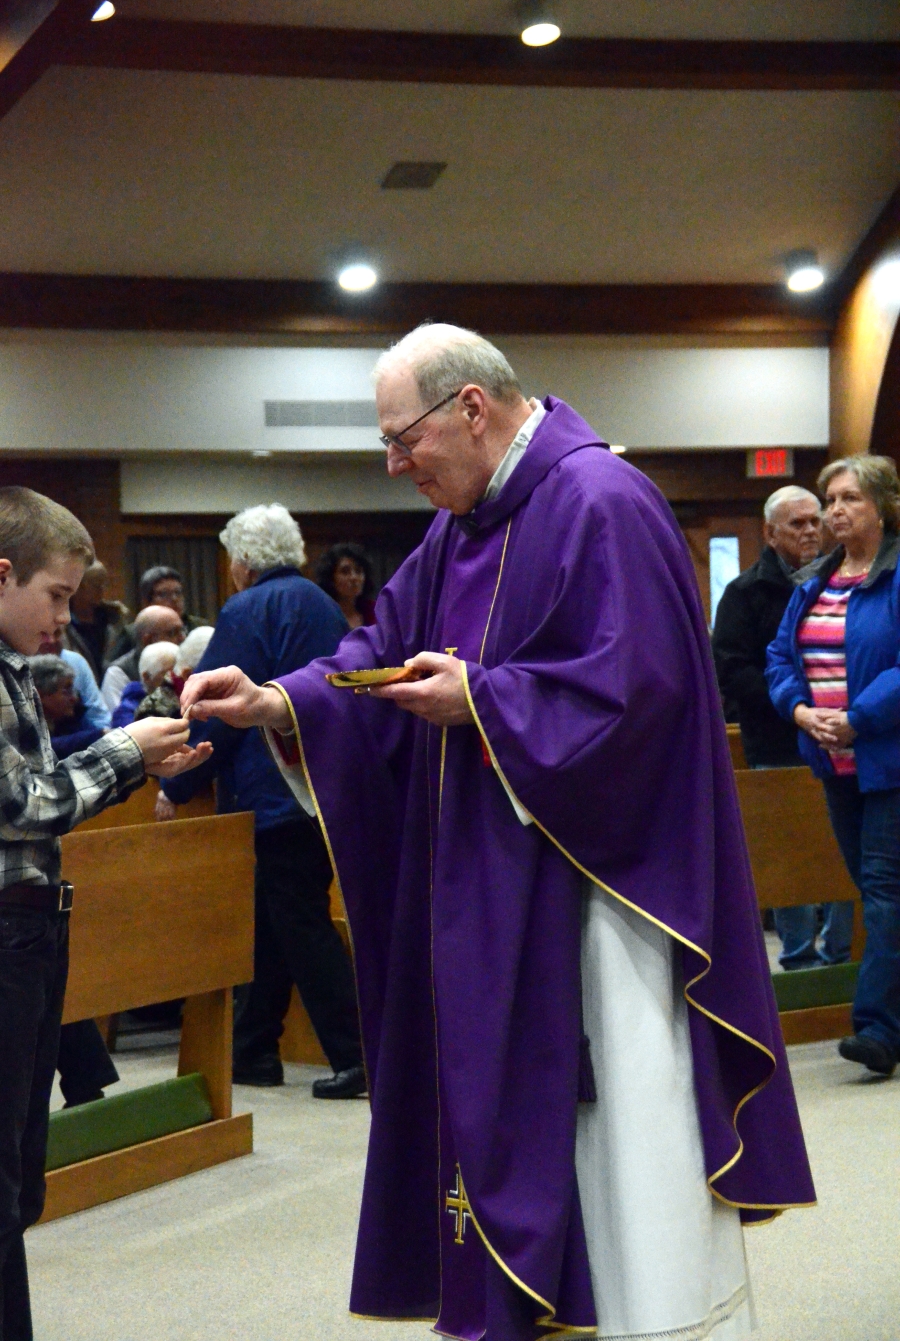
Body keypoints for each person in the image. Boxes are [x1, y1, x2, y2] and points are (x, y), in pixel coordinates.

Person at [183, 325, 814, 1340]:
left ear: (472, 407)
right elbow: (381, 652)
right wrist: (277, 703)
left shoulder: (605, 504)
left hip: (600, 889)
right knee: (525, 1119)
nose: (396, 466)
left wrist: (486, 699)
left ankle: (657, 1324)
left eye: (403, 440)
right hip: (496, 881)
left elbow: (641, 699)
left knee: (622, 1140)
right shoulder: (463, 525)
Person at [0, 486, 210, 1340]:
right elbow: (22, 804)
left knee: (19, 1167)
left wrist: (139, 746)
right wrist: (127, 750)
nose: (65, 619)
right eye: (55, 596)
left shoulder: (15, 666)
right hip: (9, 930)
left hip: (31, 925)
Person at [162, 505, 364, 1098]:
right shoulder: (323, 604)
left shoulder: (248, 608)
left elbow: (220, 708)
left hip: (270, 795)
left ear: (244, 562)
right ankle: (253, 1050)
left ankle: (359, 1053)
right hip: (320, 788)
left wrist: (177, 781)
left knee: (298, 920)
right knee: (274, 920)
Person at [767, 453, 900, 1078]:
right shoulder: (815, 580)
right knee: (877, 891)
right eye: (831, 501)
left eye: (849, 499)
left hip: (887, 760)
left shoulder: (896, 574)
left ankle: (877, 1030)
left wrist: (856, 717)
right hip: (832, 761)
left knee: (882, 895)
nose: (835, 512)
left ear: (883, 506)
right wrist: (799, 712)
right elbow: (777, 657)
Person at [713, 486, 854, 970]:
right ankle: (797, 956)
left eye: (815, 521)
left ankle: (842, 954)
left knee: (844, 845)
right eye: (798, 524)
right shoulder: (745, 593)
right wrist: (795, 705)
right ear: (771, 533)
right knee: (790, 855)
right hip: (776, 738)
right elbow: (731, 670)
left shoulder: (844, 582)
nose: (812, 530)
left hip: (842, 736)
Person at [101, 605, 184, 714]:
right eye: (173, 633)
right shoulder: (118, 672)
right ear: (148, 640)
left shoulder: (185, 661)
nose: (182, 638)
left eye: (182, 631)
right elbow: (122, 725)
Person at [27, 654, 105, 758]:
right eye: (66, 690)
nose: (74, 698)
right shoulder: (23, 725)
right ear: (40, 695)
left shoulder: (72, 715)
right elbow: (45, 748)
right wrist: (99, 735)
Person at [65, 560, 129, 681]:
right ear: (77, 586)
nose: (102, 589)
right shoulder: (61, 623)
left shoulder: (115, 619)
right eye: (96, 584)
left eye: (104, 584)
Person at [316, 542, 377, 628]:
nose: (353, 577)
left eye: (358, 571)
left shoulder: (374, 611)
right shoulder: (322, 614)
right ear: (331, 578)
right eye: (345, 572)